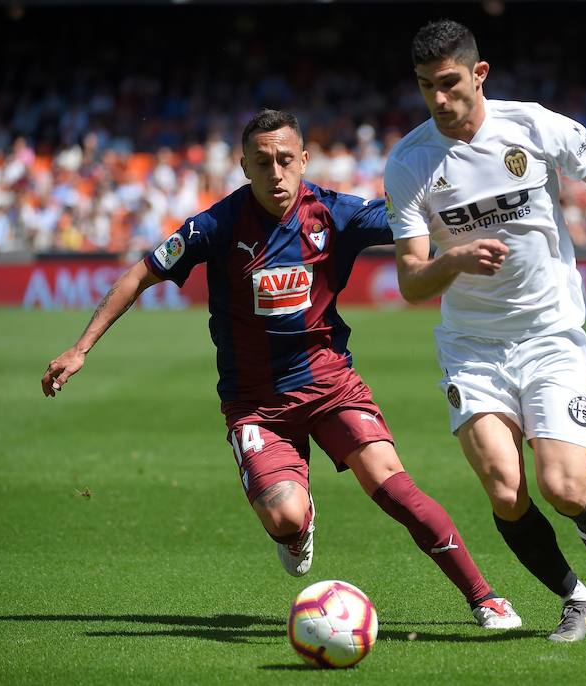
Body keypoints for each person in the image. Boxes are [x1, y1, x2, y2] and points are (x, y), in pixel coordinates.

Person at [41, 109, 521, 630]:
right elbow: (141, 273)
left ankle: (484, 597)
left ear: (304, 161)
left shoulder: (334, 213)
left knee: (393, 485)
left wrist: (483, 205)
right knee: (284, 516)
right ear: (244, 166)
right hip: (255, 402)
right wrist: (81, 347)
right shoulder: (216, 226)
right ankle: (297, 527)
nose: (276, 173)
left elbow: (415, 220)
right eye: (263, 162)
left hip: (330, 382)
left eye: (286, 160)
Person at [384, 20, 586, 642]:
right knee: (506, 490)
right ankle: (574, 599)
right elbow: (410, 280)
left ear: (479, 75)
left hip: (549, 334)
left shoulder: (533, 126)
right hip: (472, 348)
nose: (438, 99)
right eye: (426, 86)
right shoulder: (409, 162)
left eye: (450, 83)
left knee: (562, 486)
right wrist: (452, 260)